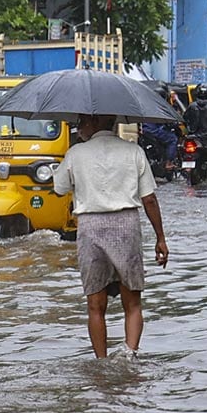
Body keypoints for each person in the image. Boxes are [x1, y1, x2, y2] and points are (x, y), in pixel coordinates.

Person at [53, 113, 169, 360]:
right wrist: (160, 238)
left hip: (90, 227)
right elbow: (149, 198)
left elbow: (59, 187)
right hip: (126, 225)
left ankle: (101, 363)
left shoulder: (76, 153)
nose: (79, 127)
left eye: (81, 122)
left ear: (95, 123)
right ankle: (130, 355)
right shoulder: (134, 151)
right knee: (133, 302)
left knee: (95, 305)